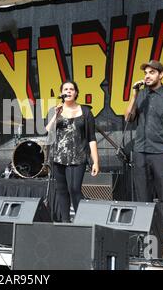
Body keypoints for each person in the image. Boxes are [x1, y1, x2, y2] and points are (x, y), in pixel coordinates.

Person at [124, 60, 163, 246]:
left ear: (161, 74)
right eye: (146, 73)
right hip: (141, 150)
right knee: (142, 192)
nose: (147, 76)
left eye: (151, 72)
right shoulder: (141, 96)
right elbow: (128, 117)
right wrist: (134, 95)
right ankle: (145, 230)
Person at [46, 81, 100, 222]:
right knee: (62, 191)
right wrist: (56, 114)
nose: (68, 91)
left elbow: (91, 138)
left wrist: (96, 162)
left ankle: (81, 220)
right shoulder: (55, 111)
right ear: (62, 93)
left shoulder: (86, 112)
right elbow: (48, 130)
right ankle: (65, 222)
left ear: (76, 93)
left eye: (71, 89)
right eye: (65, 89)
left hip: (78, 157)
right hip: (58, 158)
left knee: (74, 189)